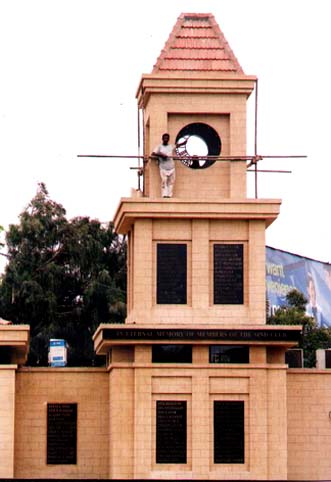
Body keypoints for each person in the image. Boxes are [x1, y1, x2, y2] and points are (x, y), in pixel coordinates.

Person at [152, 133, 185, 198]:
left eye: (167, 138)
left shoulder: (171, 146)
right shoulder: (159, 147)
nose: (166, 139)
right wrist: (161, 155)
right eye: (165, 138)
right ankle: (164, 195)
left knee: (171, 182)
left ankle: (169, 195)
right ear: (162, 139)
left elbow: (177, 145)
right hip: (163, 167)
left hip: (171, 167)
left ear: (168, 139)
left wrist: (183, 143)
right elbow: (153, 153)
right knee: (164, 181)